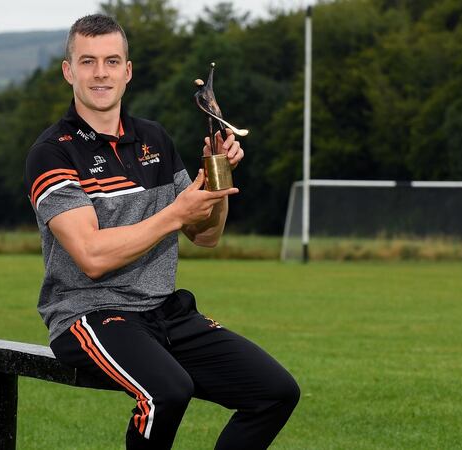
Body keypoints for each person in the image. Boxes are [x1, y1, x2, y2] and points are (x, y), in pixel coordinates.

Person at [24, 14, 299, 450]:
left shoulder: (153, 138)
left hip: (164, 311)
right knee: (167, 392)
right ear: (68, 71)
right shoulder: (52, 153)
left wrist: (216, 176)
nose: (101, 73)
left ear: (128, 71)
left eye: (112, 61)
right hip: (90, 315)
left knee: (276, 392)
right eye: (88, 61)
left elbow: (205, 235)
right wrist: (174, 213)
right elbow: (92, 257)